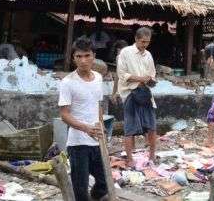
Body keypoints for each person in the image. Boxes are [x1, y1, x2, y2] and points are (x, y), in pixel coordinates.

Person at [58, 38, 109, 201]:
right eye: (79, 56)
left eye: (87, 55)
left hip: (96, 141)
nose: (83, 60)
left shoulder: (98, 78)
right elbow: (64, 114)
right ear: (73, 58)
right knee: (80, 190)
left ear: (94, 56)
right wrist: (86, 128)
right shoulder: (68, 82)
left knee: (105, 182)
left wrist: (101, 126)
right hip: (78, 143)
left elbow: (98, 105)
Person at [117, 27, 157, 168]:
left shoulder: (148, 55)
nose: (145, 45)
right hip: (130, 93)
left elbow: (152, 75)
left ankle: (152, 156)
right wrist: (141, 79)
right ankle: (130, 158)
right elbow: (122, 75)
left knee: (151, 126)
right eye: (142, 42)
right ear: (136, 39)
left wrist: (150, 81)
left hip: (145, 93)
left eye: (147, 42)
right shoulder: (126, 52)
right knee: (130, 129)